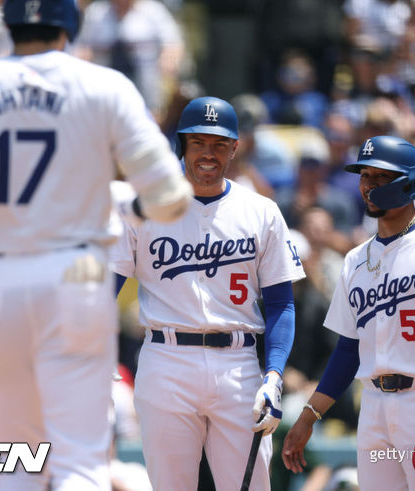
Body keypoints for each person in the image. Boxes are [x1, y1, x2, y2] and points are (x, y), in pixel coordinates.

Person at [0, 0, 192, 489]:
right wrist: (130, 208)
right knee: (79, 459)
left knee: (17, 459)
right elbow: (169, 197)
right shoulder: (104, 85)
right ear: (71, 24)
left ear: (9, 25)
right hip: (73, 275)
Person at [110, 96, 306, 490]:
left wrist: (274, 375)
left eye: (219, 144)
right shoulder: (144, 208)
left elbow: (282, 304)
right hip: (166, 358)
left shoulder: (261, 211)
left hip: (239, 364)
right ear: (181, 144)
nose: (207, 153)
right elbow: (105, 291)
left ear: (235, 148)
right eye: (198, 142)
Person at [282, 135, 415, 490]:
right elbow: (348, 350)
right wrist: (310, 413)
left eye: (380, 177)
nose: (368, 185)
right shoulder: (355, 260)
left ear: (408, 181)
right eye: (364, 176)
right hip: (375, 406)